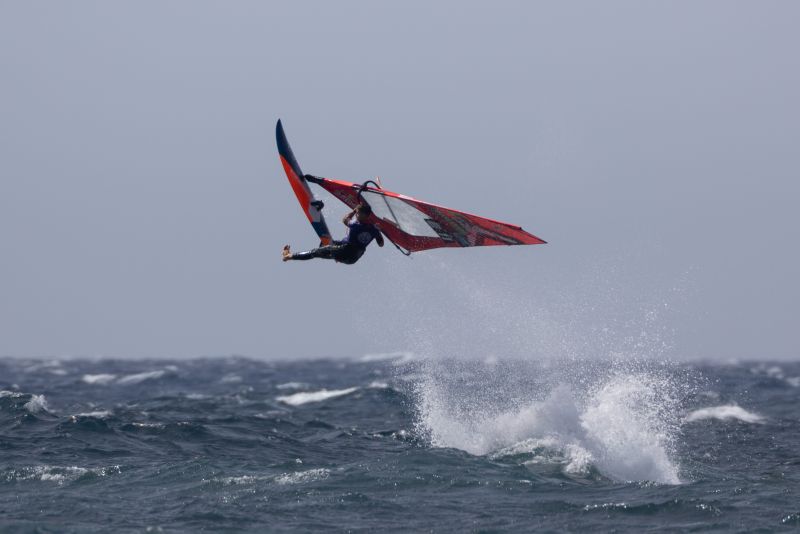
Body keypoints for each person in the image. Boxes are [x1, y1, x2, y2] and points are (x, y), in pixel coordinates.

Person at [282, 203, 384, 265]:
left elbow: (344, 220)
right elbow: (381, 244)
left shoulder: (355, 225)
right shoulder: (374, 229)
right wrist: (378, 232)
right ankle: (336, 256)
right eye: (357, 213)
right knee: (325, 245)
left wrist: (353, 211)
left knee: (315, 252)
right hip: (354, 258)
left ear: (365, 215)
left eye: (359, 213)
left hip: (346, 249)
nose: (357, 215)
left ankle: (289, 256)